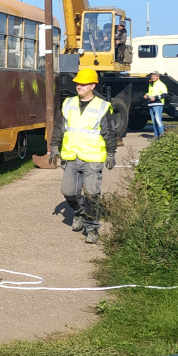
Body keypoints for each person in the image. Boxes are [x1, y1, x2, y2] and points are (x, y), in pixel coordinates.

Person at [49, 68, 117, 244]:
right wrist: (54, 146)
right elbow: (59, 127)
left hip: (92, 158)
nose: (78, 86)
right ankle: (79, 213)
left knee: (91, 194)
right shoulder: (69, 103)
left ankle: (91, 227)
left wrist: (111, 153)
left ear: (92, 86)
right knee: (68, 192)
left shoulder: (102, 107)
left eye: (83, 83)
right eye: (78, 83)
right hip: (72, 156)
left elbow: (109, 132)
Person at [144, 71, 169, 138]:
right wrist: (147, 95)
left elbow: (165, 94)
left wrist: (156, 98)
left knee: (158, 120)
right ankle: (156, 135)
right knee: (154, 121)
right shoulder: (151, 84)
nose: (153, 77)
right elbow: (150, 93)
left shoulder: (161, 84)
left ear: (158, 77)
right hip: (151, 104)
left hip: (158, 104)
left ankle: (161, 134)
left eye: (154, 76)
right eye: (152, 76)